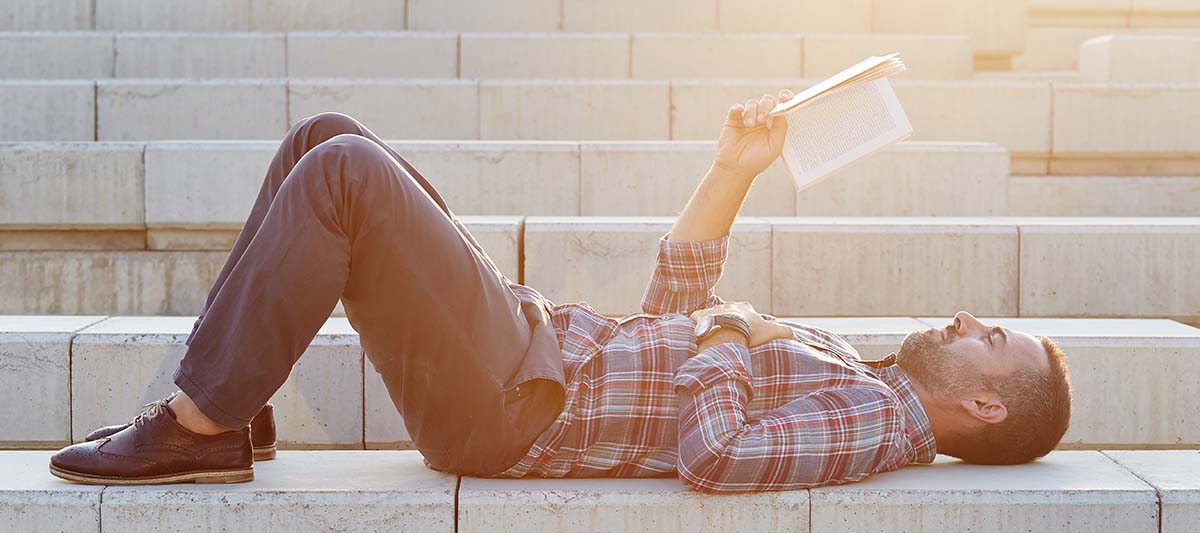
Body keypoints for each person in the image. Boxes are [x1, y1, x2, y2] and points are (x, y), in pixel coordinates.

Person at [49, 89, 1072, 492]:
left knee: (343, 174)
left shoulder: (876, 417)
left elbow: (718, 454)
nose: (971, 319)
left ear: (984, 403)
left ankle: (201, 422)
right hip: (531, 353)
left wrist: (727, 329)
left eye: (996, 340)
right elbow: (675, 303)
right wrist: (736, 171)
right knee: (326, 140)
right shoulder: (864, 369)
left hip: (520, 406)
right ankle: (237, 404)